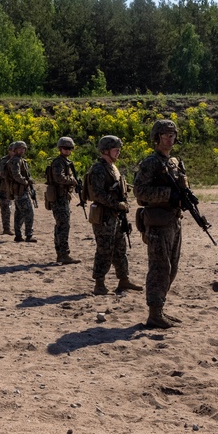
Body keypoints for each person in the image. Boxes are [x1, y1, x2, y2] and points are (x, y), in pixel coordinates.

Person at [133, 119, 187, 329]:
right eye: (165, 135)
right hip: (157, 222)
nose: (169, 139)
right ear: (156, 138)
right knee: (159, 268)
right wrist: (169, 195)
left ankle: (160, 309)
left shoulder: (173, 162)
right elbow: (140, 191)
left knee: (171, 268)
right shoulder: (150, 163)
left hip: (173, 221)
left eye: (172, 135)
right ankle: (154, 313)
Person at [86, 135, 143, 296]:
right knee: (104, 249)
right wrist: (117, 204)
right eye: (115, 150)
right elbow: (97, 194)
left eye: (118, 150)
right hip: (104, 217)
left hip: (116, 216)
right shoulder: (98, 169)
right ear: (105, 151)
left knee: (120, 248)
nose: (118, 153)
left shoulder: (113, 168)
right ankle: (99, 283)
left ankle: (123, 279)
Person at [44, 136, 82, 264]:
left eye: (70, 148)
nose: (68, 150)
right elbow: (58, 178)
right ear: (60, 148)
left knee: (61, 225)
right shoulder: (58, 162)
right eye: (65, 148)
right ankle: (63, 254)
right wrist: (72, 181)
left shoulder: (65, 162)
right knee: (63, 225)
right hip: (59, 198)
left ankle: (61, 253)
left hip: (63, 197)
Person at [0, 141, 36, 241]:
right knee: (28, 212)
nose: (22, 150)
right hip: (17, 190)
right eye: (19, 148)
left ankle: (18, 235)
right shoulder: (15, 160)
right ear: (14, 150)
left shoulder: (19, 160)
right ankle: (28, 235)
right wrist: (26, 182)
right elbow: (16, 175)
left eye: (23, 148)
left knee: (19, 212)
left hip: (17, 189)